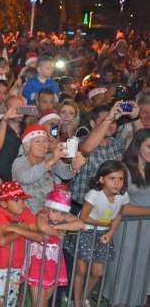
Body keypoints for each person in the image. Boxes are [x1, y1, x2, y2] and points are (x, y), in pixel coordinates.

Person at [103, 128, 150, 307]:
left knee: (141, 275)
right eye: (149, 146)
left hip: (146, 232)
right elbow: (119, 207)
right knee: (122, 275)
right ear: (138, 146)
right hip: (126, 230)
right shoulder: (122, 170)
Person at [74, 160, 129, 307]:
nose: (117, 183)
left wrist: (110, 232)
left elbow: (118, 216)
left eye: (121, 179)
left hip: (104, 231)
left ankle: (82, 296)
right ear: (101, 179)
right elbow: (83, 217)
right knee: (81, 269)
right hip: (86, 229)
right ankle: (76, 303)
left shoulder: (122, 196)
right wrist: (102, 223)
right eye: (112, 178)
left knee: (98, 272)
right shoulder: (93, 194)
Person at [22, 189, 85, 307]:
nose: (58, 216)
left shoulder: (61, 219)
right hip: (38, 263)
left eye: (62, 213)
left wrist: (60, 226)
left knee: (45, 300)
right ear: (47, 207)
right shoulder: (42, 214)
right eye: (54, 211)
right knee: (40, 303)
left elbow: (80, 224)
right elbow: (43, 227)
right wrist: (58, 233)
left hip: (53, 264)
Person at [70, 103, 138, 211]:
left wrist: (135, 118)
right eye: (105, 120)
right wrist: (109, 118)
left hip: (105, 209)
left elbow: (139, 144)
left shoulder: (115, 144)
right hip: (78, 208)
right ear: (92, 123)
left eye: (113, 121)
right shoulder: (79, 141)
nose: (111, 124)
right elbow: (86, 149)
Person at [0, 181, 44, 307]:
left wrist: (16, 229)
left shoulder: (25, 212)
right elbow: (2, 241)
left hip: (16, 265)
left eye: (22, 200)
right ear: (3, 203)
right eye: (16, 200)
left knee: (11, 301)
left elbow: (39, 236)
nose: (21, 203)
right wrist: (22, 230)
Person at [12, 125, 85, 214]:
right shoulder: (19, 162)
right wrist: (51, 160)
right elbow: (26, 178)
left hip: (49, 211)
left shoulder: (49, 157)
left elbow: (65, 174)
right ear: (27, 146)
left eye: (45, 141)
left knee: (77, 223)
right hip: (28, 214)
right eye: (37, 141)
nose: (42, 145)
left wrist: (73, 167)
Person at [0, 96, 25, 181]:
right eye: (15, 108)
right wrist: (5, 119)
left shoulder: (27, 128)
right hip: (4, 181)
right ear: (6, 110)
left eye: (22, 108)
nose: (19, 111)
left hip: (23, 179)